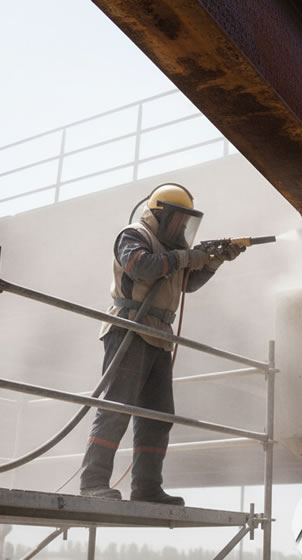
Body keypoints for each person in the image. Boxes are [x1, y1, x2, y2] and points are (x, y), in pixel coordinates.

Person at [79, 183, 241, 504]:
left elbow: (187, 284)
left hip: (159, 335)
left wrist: (213, 261)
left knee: (158, 415)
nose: (181, 227)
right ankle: (93, 482)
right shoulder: (134, 235)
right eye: (177, 220)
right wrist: (184, 257)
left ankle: (147, 488)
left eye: (186, 222)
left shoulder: (169, 249)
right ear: (159, 215)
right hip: (129, 327)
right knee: (117, 406)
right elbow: (140, 266)